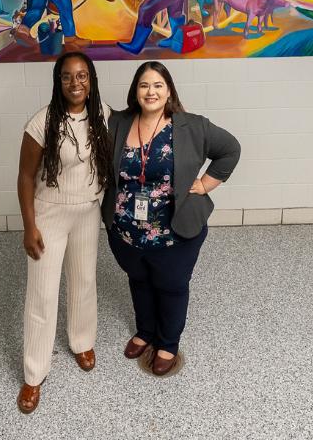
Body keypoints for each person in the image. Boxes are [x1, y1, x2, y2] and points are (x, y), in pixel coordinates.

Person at [103, 62, 241, 376]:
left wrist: (206, 184)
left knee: (171, 285)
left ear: (169, 91)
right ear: (135, 91)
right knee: (138, 280)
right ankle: (146, 331)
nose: (150, 92)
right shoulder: (118, 123)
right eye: (143, 85)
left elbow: (230, 149)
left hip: (174, 231)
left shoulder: (191, 126)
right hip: (126, 230)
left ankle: (168, 342)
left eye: (157, 85)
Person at [16, 52, 113, 414]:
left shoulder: (103, 114)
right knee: (42, 293)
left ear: (91, 80)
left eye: (83, 76)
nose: (76, 83)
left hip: (88, 212)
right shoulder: (42, 122)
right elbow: (26, 177)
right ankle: (34, 373)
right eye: (68, 77)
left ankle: (82, 341)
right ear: (58, 82)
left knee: (84, 280)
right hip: (50, 215)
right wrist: (30, 226)